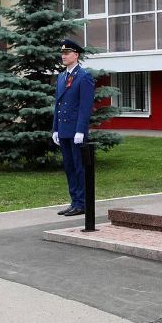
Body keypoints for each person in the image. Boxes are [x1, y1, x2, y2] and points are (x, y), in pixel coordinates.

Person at [52, 39, 95, 217]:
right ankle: (74, 201)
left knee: (79, 167)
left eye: (67, 53)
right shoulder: (62, 77)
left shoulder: (84, 76)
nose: (63, 56)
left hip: (76, 131)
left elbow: (85, 106)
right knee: (69, 167)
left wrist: (80, 130)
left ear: (76, 55)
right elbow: (58, 104)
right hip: (63, 130)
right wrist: (55, 128)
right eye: (62, 53)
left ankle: (82, 203)